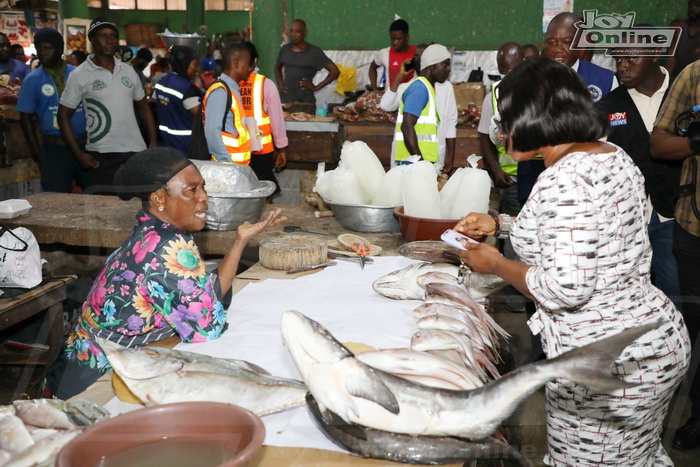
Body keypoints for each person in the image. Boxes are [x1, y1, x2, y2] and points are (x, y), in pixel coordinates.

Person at [455, 56, 690, 466]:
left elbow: (565, 286)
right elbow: (584, 232)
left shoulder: (565, 179)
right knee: (638, 457)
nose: (500, 130)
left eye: (506, 119)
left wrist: (495, 264)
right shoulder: (607, 153)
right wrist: (499, 223)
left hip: (607, 362)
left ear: (534, 118)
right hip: (648, 341)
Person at [45, 148, 286, 398]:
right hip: (96, 385)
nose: (204, 197)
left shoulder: (150, 231)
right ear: (159, 199)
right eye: (192, 190)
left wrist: (239, 240)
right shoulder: (169, 246)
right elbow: (207, 328)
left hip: (71, 371)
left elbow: (202, 298)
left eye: (202, 187)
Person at [598, 43, 682, 311]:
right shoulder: (608, 107)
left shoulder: (682, 94)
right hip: (625, 221)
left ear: (654, 55)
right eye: (618, 59)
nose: (621, 66)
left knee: (676, 293)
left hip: (674, 216)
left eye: (630, 58)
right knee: (626, 298)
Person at [650, 59, 700, 450]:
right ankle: (693, 412)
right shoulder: (694, 75)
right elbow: (660, 143)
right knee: (691, 324)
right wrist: (695, 142)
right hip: (692, 226)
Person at [58, 17, 157, 192]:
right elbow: (63, 116)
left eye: (113, 36)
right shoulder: (79, 75)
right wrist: (78, 154)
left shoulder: (128, 71)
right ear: (92, 40)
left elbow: (143, 106)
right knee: (104, 212)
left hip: (136, 152)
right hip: (102, 156)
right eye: (103, 36)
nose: (109, 41)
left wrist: (153, 140)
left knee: (138, 209)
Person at [477, 42, 524, 312]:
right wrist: (496, 170)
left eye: (513, 70)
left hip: (540, 175)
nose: (507, 77)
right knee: (513, 236)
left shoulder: (538, 91)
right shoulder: (493, 94)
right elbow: (484, 135)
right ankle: (515, 291)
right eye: (503, 71)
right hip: (511, 180)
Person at [16, 28, 89, 193]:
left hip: (84, 145)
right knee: (56, 199)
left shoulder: (77, 74)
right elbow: (25, 118)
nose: (42, 53)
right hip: (54, 150)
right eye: (39, 49)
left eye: (47, 48)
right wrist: (36, 153)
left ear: (59, 50)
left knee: (94, 196)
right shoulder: (32, 80)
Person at [380, 44, 457, 174]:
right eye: (445, 65)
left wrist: (449, 158)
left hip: (430, 156)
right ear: (431, 64)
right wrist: (421, 164)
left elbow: (450, 122)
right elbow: (388, 108)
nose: (449, 70)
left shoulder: (443, 87)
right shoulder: (416, 88)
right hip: (414, 161)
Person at [239, 41, 287, 198]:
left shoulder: (224, 84)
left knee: (240, 190)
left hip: (234, 150)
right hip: (260, 149)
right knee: (264, 192)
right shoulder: (265, 84)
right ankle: (268, 221)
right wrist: (282, 148)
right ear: (255, 61)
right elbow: (277, 121)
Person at [202, 42, 252, 165]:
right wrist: (229, 167)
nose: (250, 68)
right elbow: (212, 133)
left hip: (237, 168)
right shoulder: (220, 92)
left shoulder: (232, 89)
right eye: (248, 64)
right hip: (227, 170)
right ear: (235, 63)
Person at [274, 19, 340, 111]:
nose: (293, 34)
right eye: (292, 31)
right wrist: (281, 84)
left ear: (305, 33)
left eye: (297, 32)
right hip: (286, 101)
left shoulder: (314, 52)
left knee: (305, 124)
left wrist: (316, 87)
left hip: (305, 103)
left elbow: (335, 71)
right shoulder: (285, 50)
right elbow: (277, 68)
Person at [154, 45, 202, 156]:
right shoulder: (186, 89)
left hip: (168, 144)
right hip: (186, 146)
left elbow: (153, 101)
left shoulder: (162, 82)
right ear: (184, 64)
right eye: (195, 65)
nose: (197, 69)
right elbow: (203, 117)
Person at [369, 19, 416, 91]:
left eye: (398, 39)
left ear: (407, 37)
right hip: (390, 96)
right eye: (392, 39)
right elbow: (372, 68)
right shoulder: (384, 53)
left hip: (410, 95)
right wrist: (375, 90)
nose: (395, 42)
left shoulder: (417, 53)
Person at [664, 0, 700, 81]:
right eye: (690, 4)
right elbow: (671, 56)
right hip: (675, 76)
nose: (692, 8)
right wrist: (667, 80)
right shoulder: (677, 25)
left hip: (695, 78)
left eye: (697, 5)